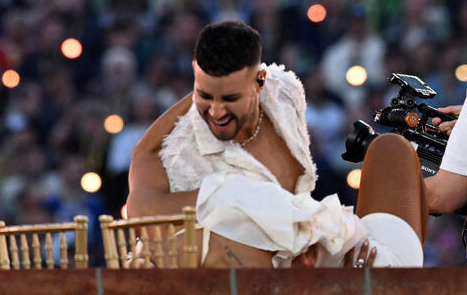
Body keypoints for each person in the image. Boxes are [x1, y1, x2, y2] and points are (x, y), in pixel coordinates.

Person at [127, 20, 425, 267]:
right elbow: (142, 195)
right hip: (350, 272)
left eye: (230, 98)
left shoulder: (283, 93)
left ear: (259, 82)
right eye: (205, 95)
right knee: (393, 152)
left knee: (392, 150)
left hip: (367, 253)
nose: (216, 111)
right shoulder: (184, 168)